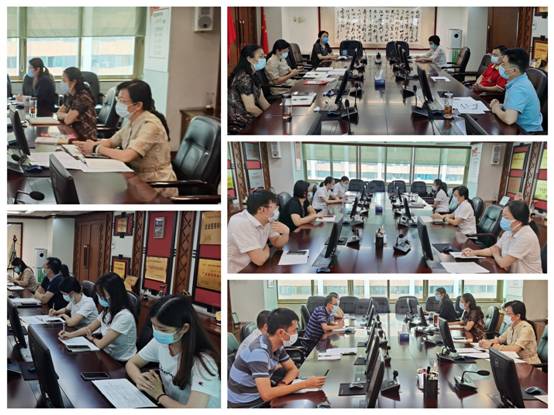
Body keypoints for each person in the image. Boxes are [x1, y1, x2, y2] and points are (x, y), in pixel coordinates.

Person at [74, 80, 177, 197]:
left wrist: (96, 148)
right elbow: (111, 142)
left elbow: (127, 156)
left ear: (138, 105)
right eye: (118, 100)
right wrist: (88, 145)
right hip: (136, 178)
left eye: (122, 101)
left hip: (155, 186)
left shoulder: (150, 125)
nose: (118, 104)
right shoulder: (132, 120)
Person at [126, 295, 220, 407]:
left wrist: (159, 395)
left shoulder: (204, 361)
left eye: (163, 329)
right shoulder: (160, 342)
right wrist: (141, 381)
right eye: (154, 326)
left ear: (184, 328)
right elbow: (131, 363)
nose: (156, 332)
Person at [228, 308, 326, 408]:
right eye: (294, 330)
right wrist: (305, 384)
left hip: (259, 395)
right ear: (281, 333)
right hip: (246, 404)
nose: (296, 333)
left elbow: (293, 369)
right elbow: (267, 395)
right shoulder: (258, 352)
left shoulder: (276, 344)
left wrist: (283, 384)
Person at [59, 272, 137, 362]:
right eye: (99, 295)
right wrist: (70, 335)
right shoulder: (108, 310)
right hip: (107, 354)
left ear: (114, 294)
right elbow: (89, 328)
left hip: (119, 361)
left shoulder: (124, 316)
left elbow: (100, 344)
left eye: (102, 295)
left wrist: (92, 338)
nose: (100, 298)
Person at [462, 200, 542, 273]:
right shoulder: (509, 231)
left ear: (519, 222)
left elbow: (503, 263)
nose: (503, 219)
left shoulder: (526, 237)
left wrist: (496, 254)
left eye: (506, 217)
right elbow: (493, 249)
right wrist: (474, 252)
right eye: (502, 216)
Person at [228, 190, 290, 273]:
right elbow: (260, 260)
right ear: (261, 209)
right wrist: (266, 247)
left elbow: (277, 243)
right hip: (239, 271)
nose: (276, 211)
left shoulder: (267, 219)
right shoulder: (240, 222)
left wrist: (286, 233)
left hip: (255, 266)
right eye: (274, 208)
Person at [490, 48, 543, 133]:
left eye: (504, 64)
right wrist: (501, 106)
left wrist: (496, 109)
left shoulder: (519, 88)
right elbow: (517, 106)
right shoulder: (519, 79)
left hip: (526, 133)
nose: (500, 66)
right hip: (517, 128)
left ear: (514, 70)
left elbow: (509, 119)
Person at [228, 45, 271, 134]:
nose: (264, 59)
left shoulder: (253, 74)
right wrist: (266, 120)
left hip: (250, 118)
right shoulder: (244, 77)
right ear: (249, 59)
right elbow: (250, 108)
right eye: (261, 56)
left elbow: (263, 101)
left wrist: (273, 116)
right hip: (240, 123)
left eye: (264, 56)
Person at [56, 67, 97, 139]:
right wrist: (67, 115)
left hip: (85, 139)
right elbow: (58, 113)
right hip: (73, 133)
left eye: (64, 80)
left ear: (74, 82)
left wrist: (66, 116)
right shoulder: (71, 95)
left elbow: (67, 121)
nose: (62, 83)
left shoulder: (83, 97)